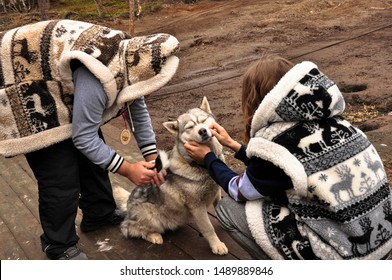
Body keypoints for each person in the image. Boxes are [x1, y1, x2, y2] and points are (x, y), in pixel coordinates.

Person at [0, 20, 179, 260]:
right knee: (60, 173)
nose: (154, 90)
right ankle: (58, 246)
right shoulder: (98, 72)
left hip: (59, 81)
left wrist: (151, 156)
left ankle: (99, 213)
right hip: (26, 82)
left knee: (94, 156)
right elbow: (83, 137)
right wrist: (128, 169)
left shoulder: (133, 59)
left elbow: (137, 108)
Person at [185, 54, 392, 259]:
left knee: (227, 208)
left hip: (347, 256)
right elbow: (280, 170)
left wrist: (208, 158)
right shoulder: (338, 123)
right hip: (382, 241)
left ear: (256, 99)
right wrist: (234, 146)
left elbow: (239, 190)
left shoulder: (276, 140)